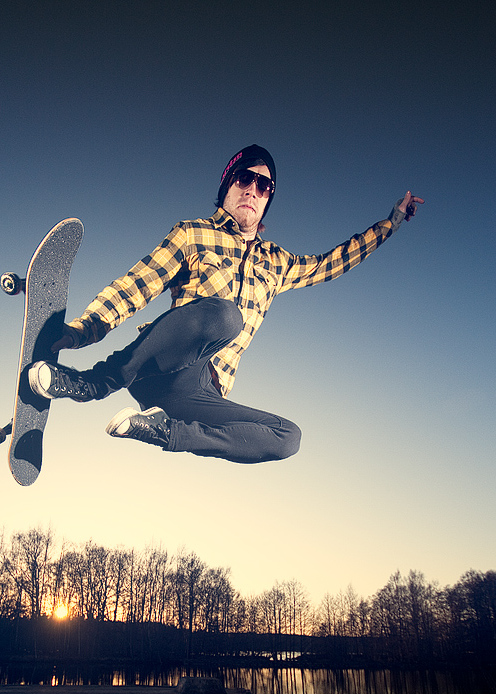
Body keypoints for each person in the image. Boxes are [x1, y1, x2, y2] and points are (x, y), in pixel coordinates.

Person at [29, 145, 424, 464]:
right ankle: (90, 383)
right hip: (160, 363)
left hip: (200, 393)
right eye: (245, 179)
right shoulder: (193, 234)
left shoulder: (278, 262)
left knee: (288, 438)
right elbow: (137, 285)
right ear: (228, 187)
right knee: (225, 316)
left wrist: (391, 222)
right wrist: (82, 330)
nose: (253, 190)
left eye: (264, 186)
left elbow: (332, 262)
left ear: (268, 200)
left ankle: (165, 432)